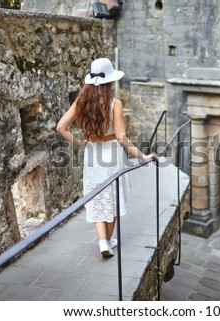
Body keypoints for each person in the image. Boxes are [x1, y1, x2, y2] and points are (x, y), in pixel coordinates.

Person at [56, 58, 155, 258]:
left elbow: (60, 128)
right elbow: (120, 137)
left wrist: (80, 144)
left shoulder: (80, 102)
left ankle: (102, 242)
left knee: (98, 196)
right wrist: (143, 155)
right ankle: (108, 241)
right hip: (112, 154)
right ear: (110, 82)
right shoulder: (115, 104)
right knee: (112, 197)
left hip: (92, 154)